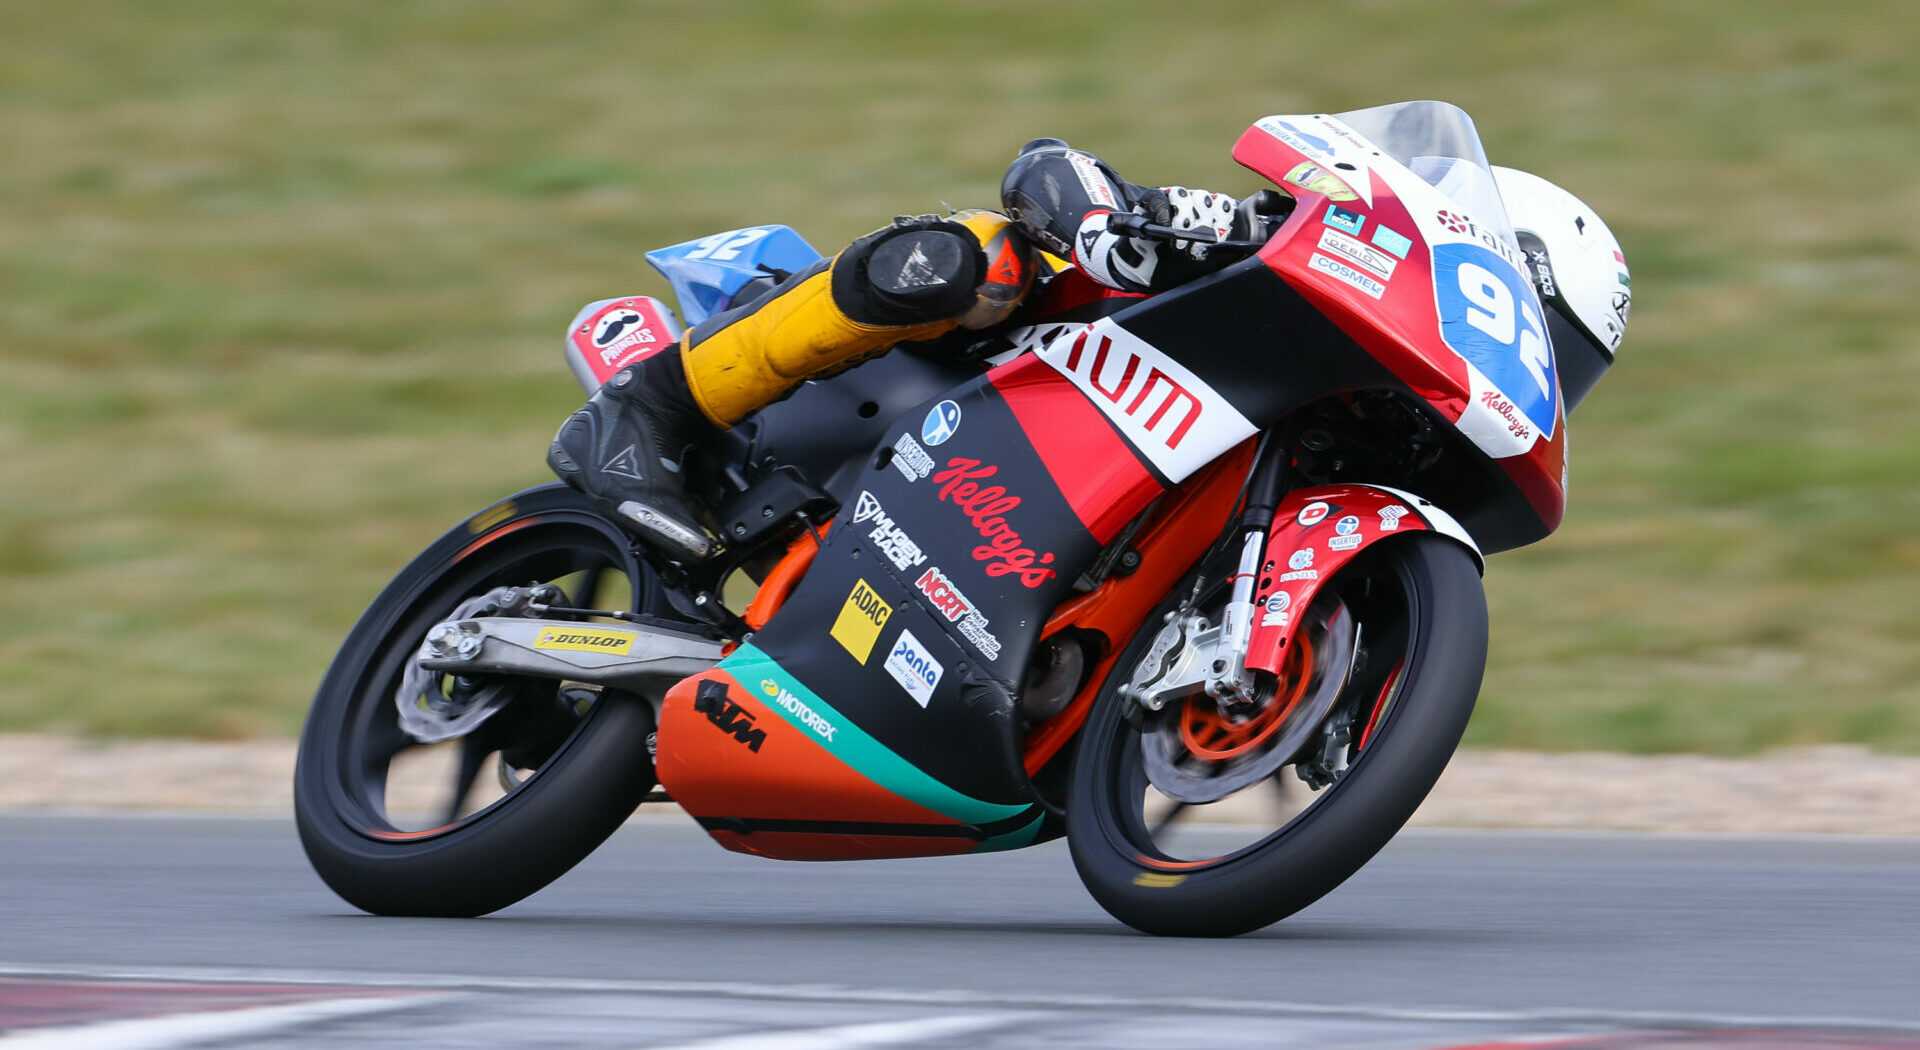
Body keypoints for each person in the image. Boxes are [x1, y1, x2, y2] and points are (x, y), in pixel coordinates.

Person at [545, 139, 1245, 560]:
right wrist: (1103, 225)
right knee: (984, 258)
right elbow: (1046, 165)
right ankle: (648, 403)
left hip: (1051, 514)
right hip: (976, 367)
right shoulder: (1283, 234)